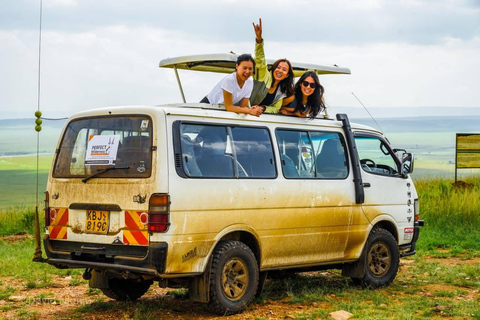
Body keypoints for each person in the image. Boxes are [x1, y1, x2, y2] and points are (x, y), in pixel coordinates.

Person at [250, 18, 294, 114]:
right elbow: (260, 60)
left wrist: (263, 108)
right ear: (273, 69)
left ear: (287, 75)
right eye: (278, 67)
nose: (280, 71)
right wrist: (259, 40)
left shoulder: (282, 92)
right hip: (240, 109)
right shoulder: (264, 76)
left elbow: (275, 109)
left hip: (257, 117)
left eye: (284, 69)